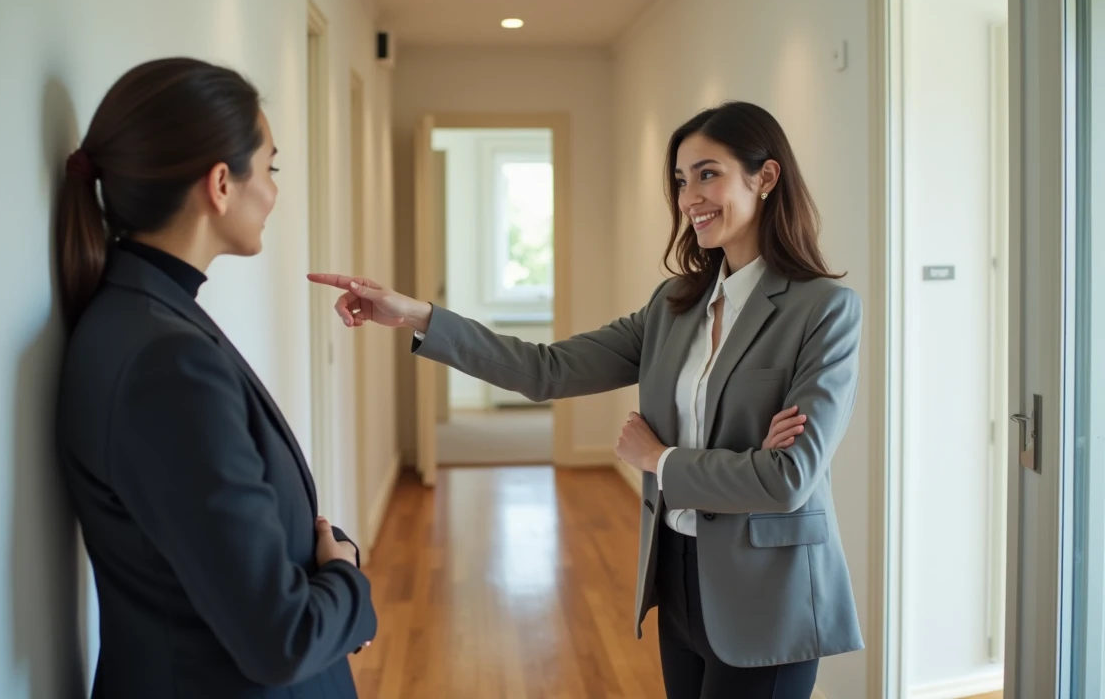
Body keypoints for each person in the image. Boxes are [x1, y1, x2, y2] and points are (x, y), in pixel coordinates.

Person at [310, 101, 862, 699]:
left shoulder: (823, 311)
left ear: (766, 176)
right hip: (677, 575)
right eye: (681, 180)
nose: (689, 198)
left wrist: (659, 459)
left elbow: (787, 479)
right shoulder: (674, 305)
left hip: (770, 594)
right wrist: (417, 315)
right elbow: (546, 369)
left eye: (708, 174)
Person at [55, 57, 376, 699]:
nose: (275, 193)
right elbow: (281, 638)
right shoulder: (166, 362)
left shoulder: (144, 317)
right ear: (222, 184)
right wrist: (346, 578)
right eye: (271, 168)